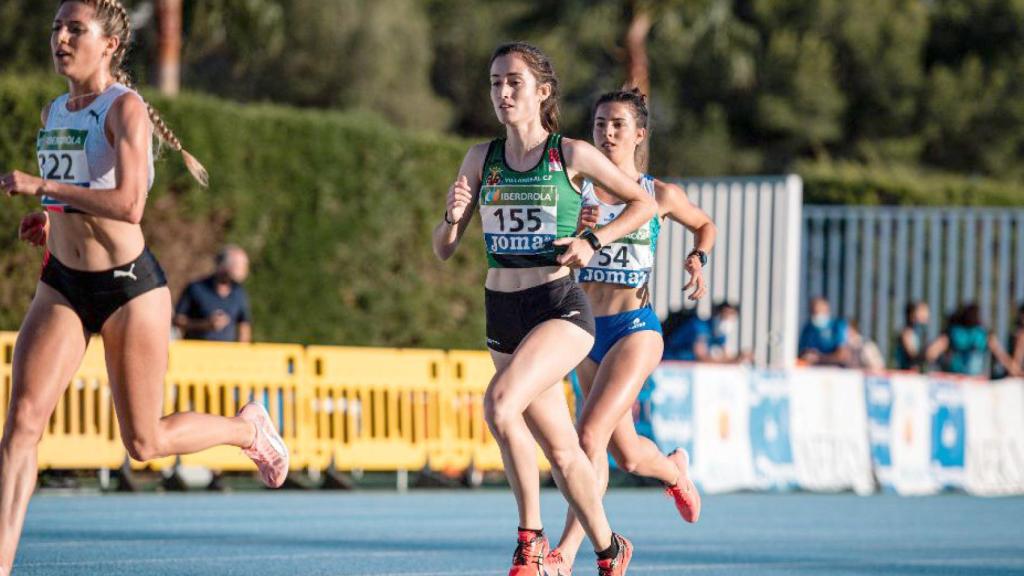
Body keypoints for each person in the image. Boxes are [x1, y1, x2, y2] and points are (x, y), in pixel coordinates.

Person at [0, 2, 288, 572]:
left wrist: (44, 186)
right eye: (56, 28)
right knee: (22, 427)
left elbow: (129, 204)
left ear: (108, 44)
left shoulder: (124, 109)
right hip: (62, 283)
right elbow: (81, 189)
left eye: (74, 29)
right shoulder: (54, 108)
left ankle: (245, 428)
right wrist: (51, 215)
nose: (59, 37)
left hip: (129, 289)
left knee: (144, 443)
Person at [432, 42, 657, 576]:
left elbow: (642, 202)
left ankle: (529, 542)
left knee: (501, 405)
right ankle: (609, 549)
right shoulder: (479, 158)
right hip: (501, 314)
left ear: (543, 92)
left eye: (514, 82)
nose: (503, 92)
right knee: (563, 453)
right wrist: (451, 215)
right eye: (494, 82)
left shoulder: (570, 155)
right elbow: (443, 248)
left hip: (559, 308)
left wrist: (595, 240)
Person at [545, 88, 714, 576]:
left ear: (639, 134)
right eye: (599, 124)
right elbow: (549, 248)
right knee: (628, 455)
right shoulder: (576, 189)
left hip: (635, 328)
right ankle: (673, 470)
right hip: (583, 330)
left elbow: (705, 225)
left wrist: (697, 257)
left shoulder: (659, 195)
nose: (607, 132)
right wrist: (574, 228)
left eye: (617, 124)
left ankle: (568, 554)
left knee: (588, 436)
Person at [173, 245, 253, 342]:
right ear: (223, 265)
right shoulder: (196, 288)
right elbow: (177, 321)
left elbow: (244, 326)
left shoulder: (239, 293)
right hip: (196, 352)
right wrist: (205, 325)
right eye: (238, 265)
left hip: (225, 354)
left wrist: (242, 353)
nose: (244, 270)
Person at [927, 303, 1020, 378]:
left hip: (958, 379)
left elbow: (931, 353)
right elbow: (1002, 357)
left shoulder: (955, 332)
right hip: (969, 380)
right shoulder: (982, 334)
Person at [798, 297, 850, 366]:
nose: (816, 315)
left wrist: (819, 358)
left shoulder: (837, 325)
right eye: (813, 312)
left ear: (826, 310)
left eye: (818, 311)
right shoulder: (808, 328)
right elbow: (803, 352)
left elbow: (842, 355)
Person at [894, 301, 931, 372]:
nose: (926, 315)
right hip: (906, 374)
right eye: (922, 311)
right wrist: (930, 353)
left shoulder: (920, 333)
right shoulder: (906, 333)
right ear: (912, 315)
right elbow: (913, 355)